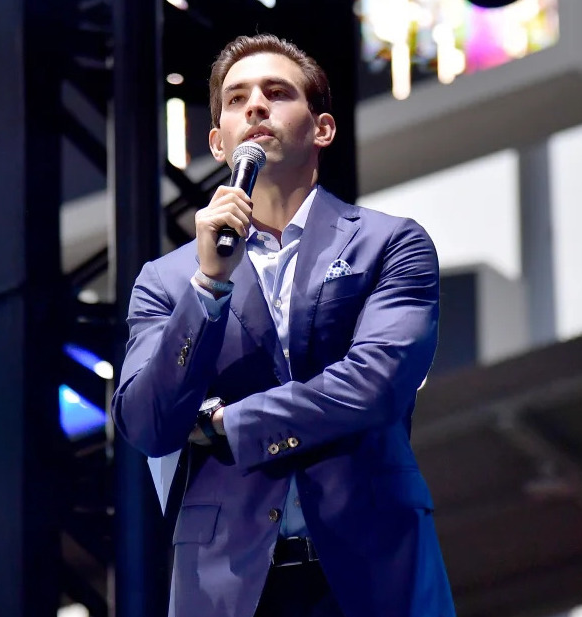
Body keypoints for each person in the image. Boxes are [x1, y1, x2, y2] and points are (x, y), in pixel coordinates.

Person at [111, 33, 455, 617]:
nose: (256, 107)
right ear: (219, 141)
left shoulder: (390, 244)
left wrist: (229, 422)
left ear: (321, 129)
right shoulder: (169, 280)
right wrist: (208, 288)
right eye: (237, 98)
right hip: (225, 583)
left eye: (277, 93)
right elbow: (146, 423)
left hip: (373, 568)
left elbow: (373, 386)